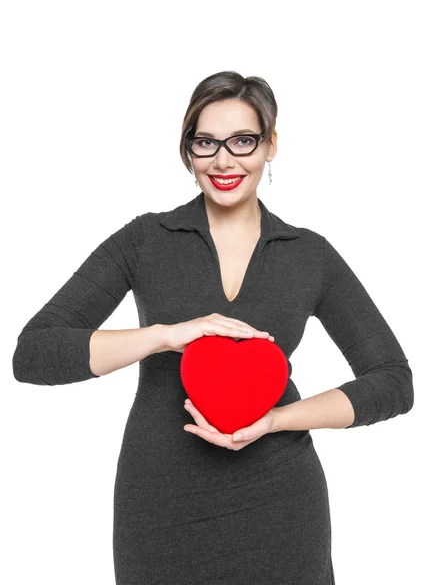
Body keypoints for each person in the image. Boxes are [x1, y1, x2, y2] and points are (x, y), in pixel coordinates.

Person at [12, 70, 414, 584]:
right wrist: (164, 335)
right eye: (205, 143)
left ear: (271, 145)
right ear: (187, 152)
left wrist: (276, 420)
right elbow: (34, 353)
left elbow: (393, 380)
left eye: (242, 141)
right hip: (160, 506)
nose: (224, 161)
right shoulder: (145, 239)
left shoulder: (308, 254)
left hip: (281, 506)